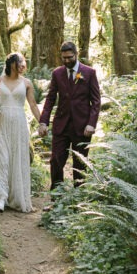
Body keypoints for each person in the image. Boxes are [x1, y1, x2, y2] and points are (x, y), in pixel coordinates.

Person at [38, 41, 101, 190]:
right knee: (56, 161)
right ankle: (56, 197)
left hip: (83, 127)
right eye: (64, 58)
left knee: (79, 165)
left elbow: (96, 101)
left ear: (76, 54)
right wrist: (43, 121)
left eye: (70, 57)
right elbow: (50, 99)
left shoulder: (89, 73)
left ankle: (78, 202)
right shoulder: (57, 73)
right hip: (61, 126)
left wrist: (91, 123)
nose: (67, 61)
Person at [0, 51, 42, 213]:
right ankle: (1, 197)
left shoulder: (26, 83)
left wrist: (42, 123)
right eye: (19, 62)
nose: (22, 65)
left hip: (19, 124)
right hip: (1, 122)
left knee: (17, 158)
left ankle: (17, 196)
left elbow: (33, 104)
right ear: (10, 63)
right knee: (2, 158)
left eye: (23, 62)